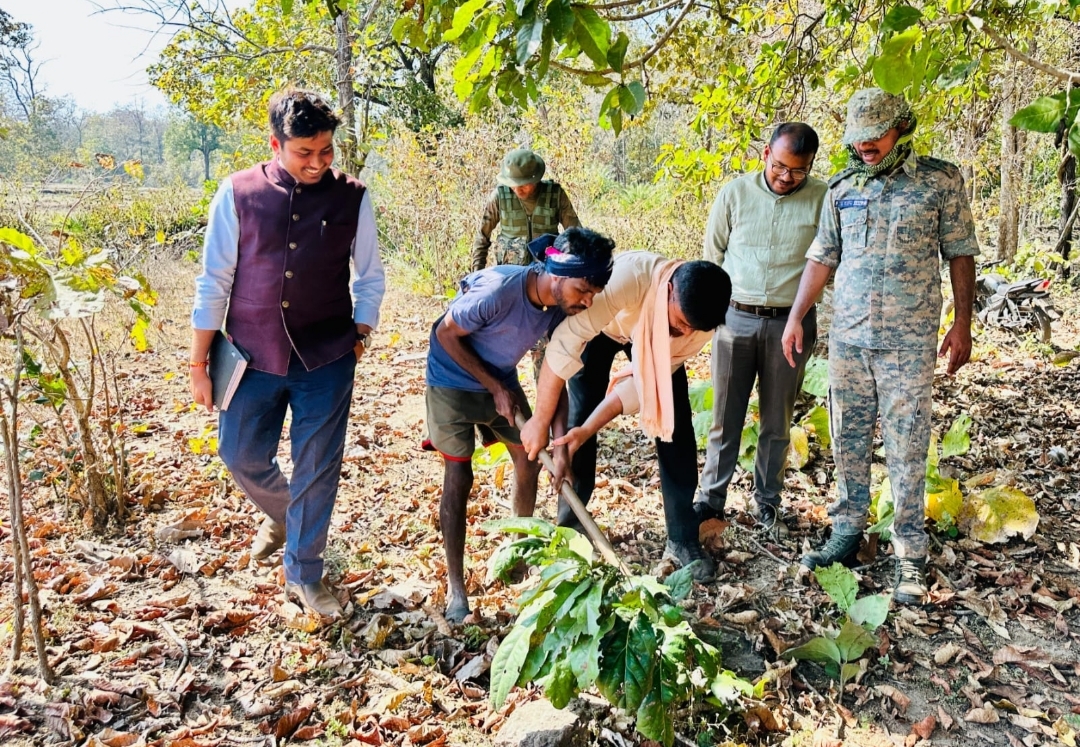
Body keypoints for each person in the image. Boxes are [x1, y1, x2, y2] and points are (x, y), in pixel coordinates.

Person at [189, 89, 385, 621]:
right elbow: (214, 281)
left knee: (318, 466)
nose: (319, 163)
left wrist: (361, 331)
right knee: (240, 455)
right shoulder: (238, 194)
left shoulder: (353, 197)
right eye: (305, 153)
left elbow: (369, 276)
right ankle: (284, 516)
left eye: (326, 151)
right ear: (276, 144)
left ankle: (304, 573)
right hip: (251, 355)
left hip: (327, 357)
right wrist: (198, 364)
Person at [781, 88, 978, 605]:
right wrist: (796, 316)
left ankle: (910, 552)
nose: (865, 147)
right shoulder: (843, 187)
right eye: (858, 139)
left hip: (909, 342)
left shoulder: (939, 181)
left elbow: (960, 254)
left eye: (875, 137)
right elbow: (823, 257)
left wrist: (963, 324)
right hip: (848, 337)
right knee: (846, 437)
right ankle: (847, 532)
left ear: (901, 128)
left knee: (908, 443)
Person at [424, 227, 615, 622]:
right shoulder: (499, 290)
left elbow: (555, 372)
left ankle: (516, 550)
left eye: (594, 293)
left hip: (501, 378)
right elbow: (444, 333)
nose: (587, 300)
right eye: (583, 289)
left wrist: (559, 448)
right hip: (452, 379)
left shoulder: (562, 308)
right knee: (459, 476)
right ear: (558, 275)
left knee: (530, 457)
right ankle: (457, 590)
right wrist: (494, 387)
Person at [520, 254, 732, 583]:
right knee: (578, 423)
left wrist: (592, 426)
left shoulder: (700, 323)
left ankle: (681, 537)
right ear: (669, 289)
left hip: (656, 349)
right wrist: (543, 420)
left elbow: (646, 387)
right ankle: (571, 529)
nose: (685, 331)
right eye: (679, 323)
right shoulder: (627, 280)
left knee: (674, 429)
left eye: (692, 329)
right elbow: (563, 344)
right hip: (603, 329)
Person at [695, 123, 828, 538]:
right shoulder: (735, 193)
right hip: (735, 318)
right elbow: (711, 256)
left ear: (810, 167)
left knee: (777, 420)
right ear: (766, 154)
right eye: (780, 166)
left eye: (798, 171)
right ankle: (710, 498)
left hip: (792, 322)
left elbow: (826, 261)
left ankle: (767, 500)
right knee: (724, 416)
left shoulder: (823, 199)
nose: (786, 177)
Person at [471, 148, 581, 272]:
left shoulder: (555, 195)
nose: (517, 190)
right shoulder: (500, 197)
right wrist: (476, 274)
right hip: (511, 274)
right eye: (513, 185)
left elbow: (577, 234)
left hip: (546, 274)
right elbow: (482, 237)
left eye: (523, 185)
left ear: (535, 180)